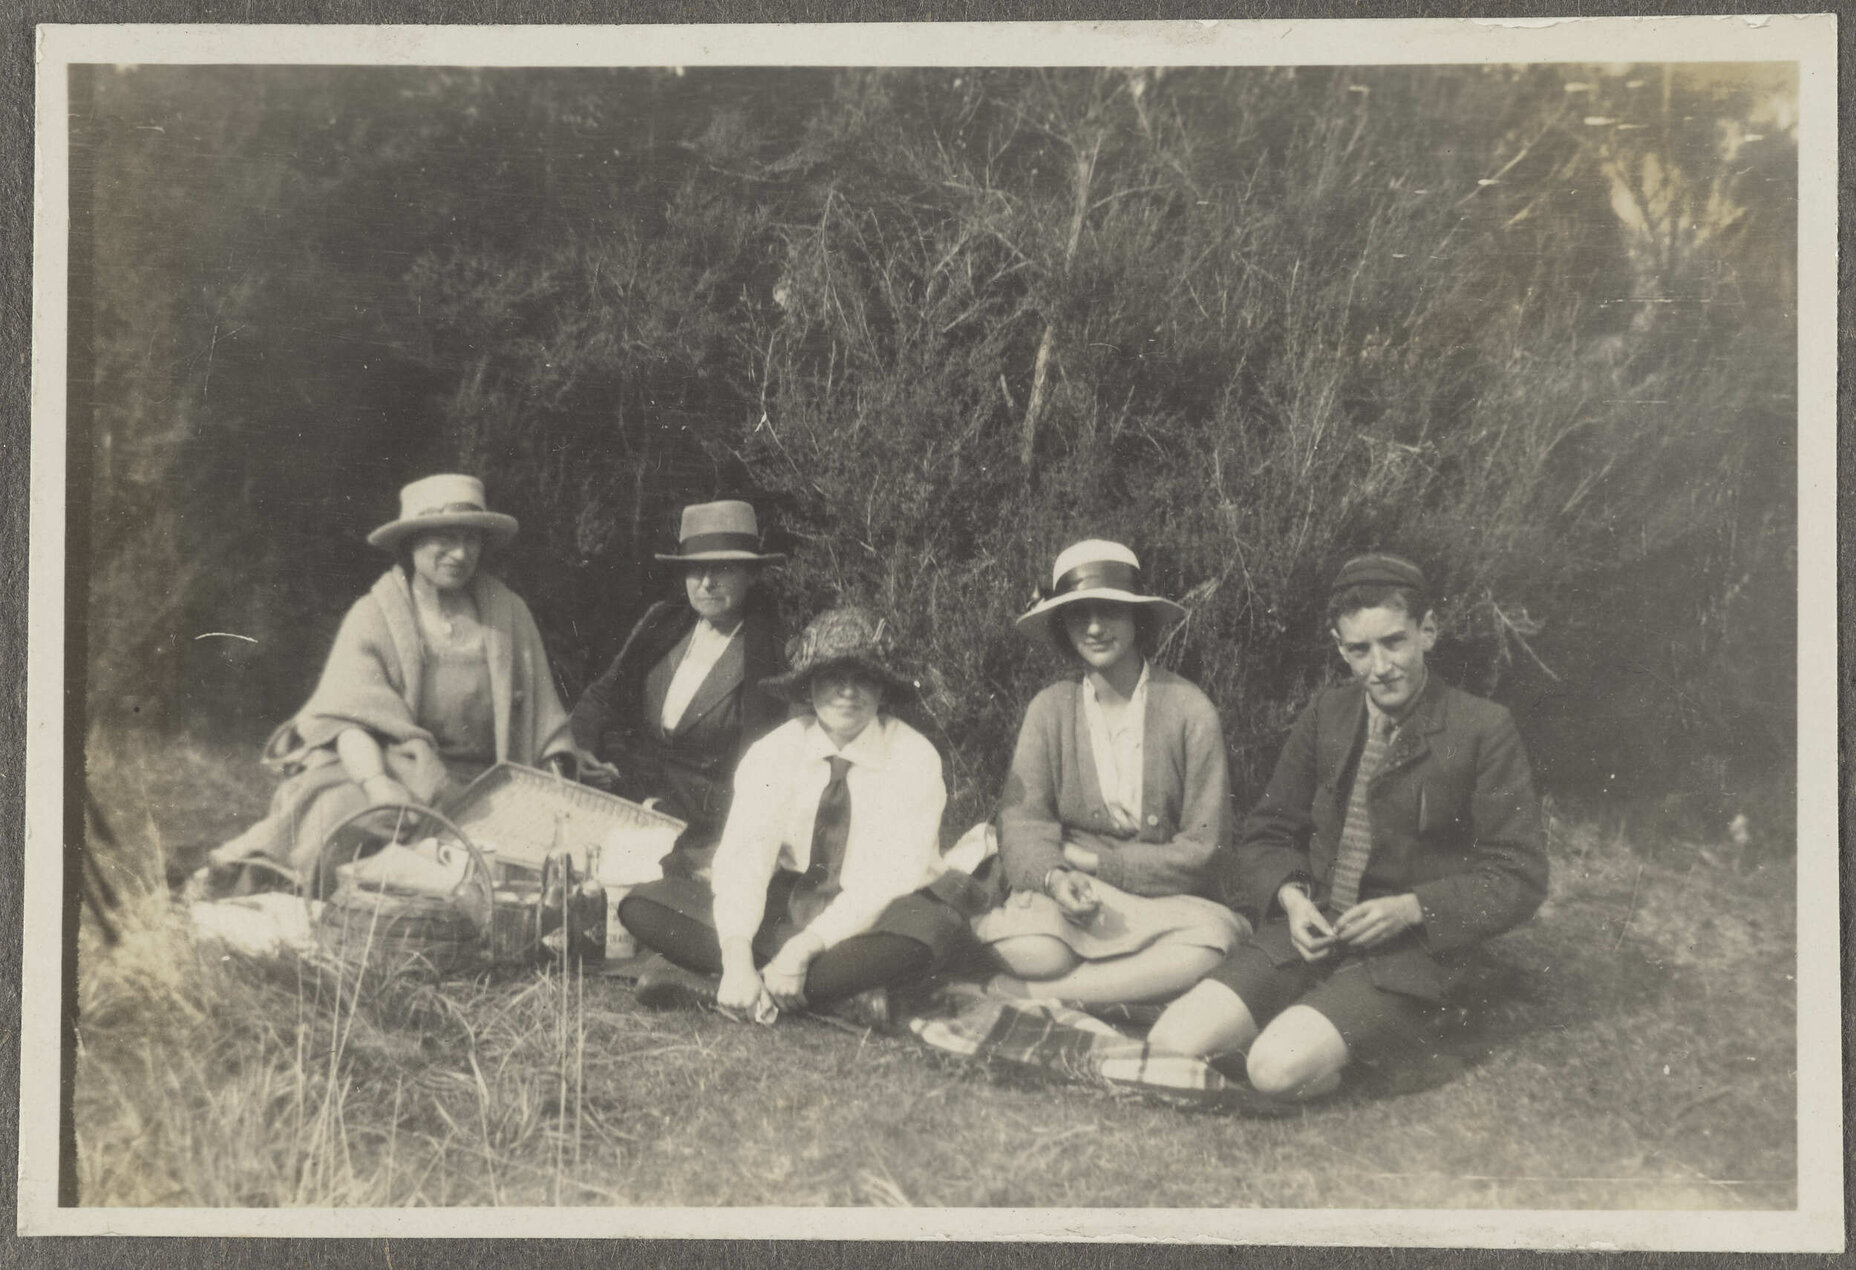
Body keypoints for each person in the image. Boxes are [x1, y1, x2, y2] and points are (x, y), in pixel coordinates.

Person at [1148, 553, 1549, 1102]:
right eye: (1359, 650)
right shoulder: (1328, 716)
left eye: (1394, 642)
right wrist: (1291, 901)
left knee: (1272, 1070)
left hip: (1411, 956)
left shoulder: (1482, 728)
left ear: (1427, 631)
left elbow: (1519, 877)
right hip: (1312, 935)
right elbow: (1267, 832)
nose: (1380, 666)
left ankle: (1391, 1032)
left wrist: (1411, 908)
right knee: (1171, 1042)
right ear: (1340, 648)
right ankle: (1310, 1019)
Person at [206, 474, 584, 894]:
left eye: (471, 539)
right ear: (412, 542)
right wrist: (378, 785)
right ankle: (295, 900)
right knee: (333, 817)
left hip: (491, 787)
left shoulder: (509, 615)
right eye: (445, 538)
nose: (460, 554)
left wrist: (556, 782)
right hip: (397, 773)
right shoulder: (375, 615)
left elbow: (543, 718)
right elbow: (347, 719)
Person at [616, 607, 971, 1022]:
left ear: (883, 689)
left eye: (863, 678)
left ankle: (714, 989)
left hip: (875, 916)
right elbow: (746, 860)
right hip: (788, 906)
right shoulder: (777, 751)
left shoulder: (912, 757)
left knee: (928, 930)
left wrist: (802, 950)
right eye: (832, 676)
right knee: (643, 904)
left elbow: (886, 880)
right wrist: (735, 957)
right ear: (808, 686)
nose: (847, 691)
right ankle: (824, 994)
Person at [971, 540, 1246, 1007]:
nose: (1096, 628)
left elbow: (1204, 849)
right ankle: (1114, 983)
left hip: (1160, 901)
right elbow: (1022, 822)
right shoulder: (1050, 709)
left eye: (1111, 612)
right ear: (1063, 627)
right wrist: (1057, 878)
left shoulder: (1189, 711)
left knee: (1211, 945)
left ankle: (1035, 995)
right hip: (1074, 892)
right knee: (1034, 949)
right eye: (1080, 615)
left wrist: (1099, 864)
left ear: (1138, 620)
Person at [568, 500, 787, 877]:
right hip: (628, 799)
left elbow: (772, 769)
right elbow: (603, 696)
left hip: (706, 828)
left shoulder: (771, 651)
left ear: (751, 575)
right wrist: (578, 748)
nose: (706, 582)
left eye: (722, 569)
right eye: (695, 569)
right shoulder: (663, 624)